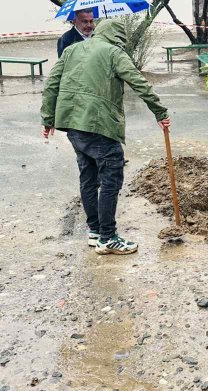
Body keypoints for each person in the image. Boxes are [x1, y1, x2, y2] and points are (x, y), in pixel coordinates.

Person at [41, 18, 170, 256]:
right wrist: (160, 112)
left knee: (88, 177)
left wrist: (48, 119)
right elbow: (139, 83)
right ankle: (108, 238)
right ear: (118, 38)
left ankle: (95, 230)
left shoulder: (71, 50)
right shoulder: (114, 53)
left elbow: (51, 85)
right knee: (111, 177)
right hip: (99, 125)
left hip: (72, 124)